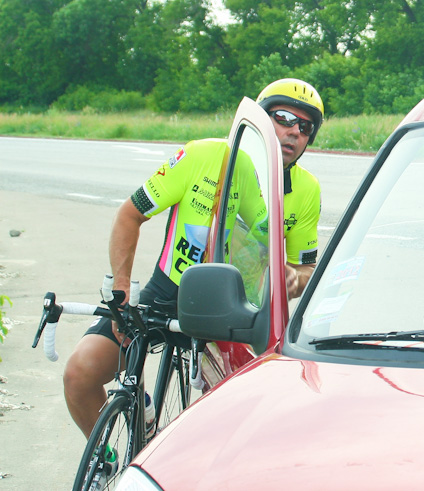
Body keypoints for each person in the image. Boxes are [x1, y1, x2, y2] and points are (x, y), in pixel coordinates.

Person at [63, 78, 324, 441]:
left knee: (241, 425)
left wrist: (293, 279)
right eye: (283, 118)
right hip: (169, 290)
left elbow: (307, 268)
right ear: (261, 122)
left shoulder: (307, 190)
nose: (294, 131)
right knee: (79, 374)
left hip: (237, 311)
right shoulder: (201, 156)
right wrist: (121, 290)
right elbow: (130, 214)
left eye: (305, 127)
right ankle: (109, 460)